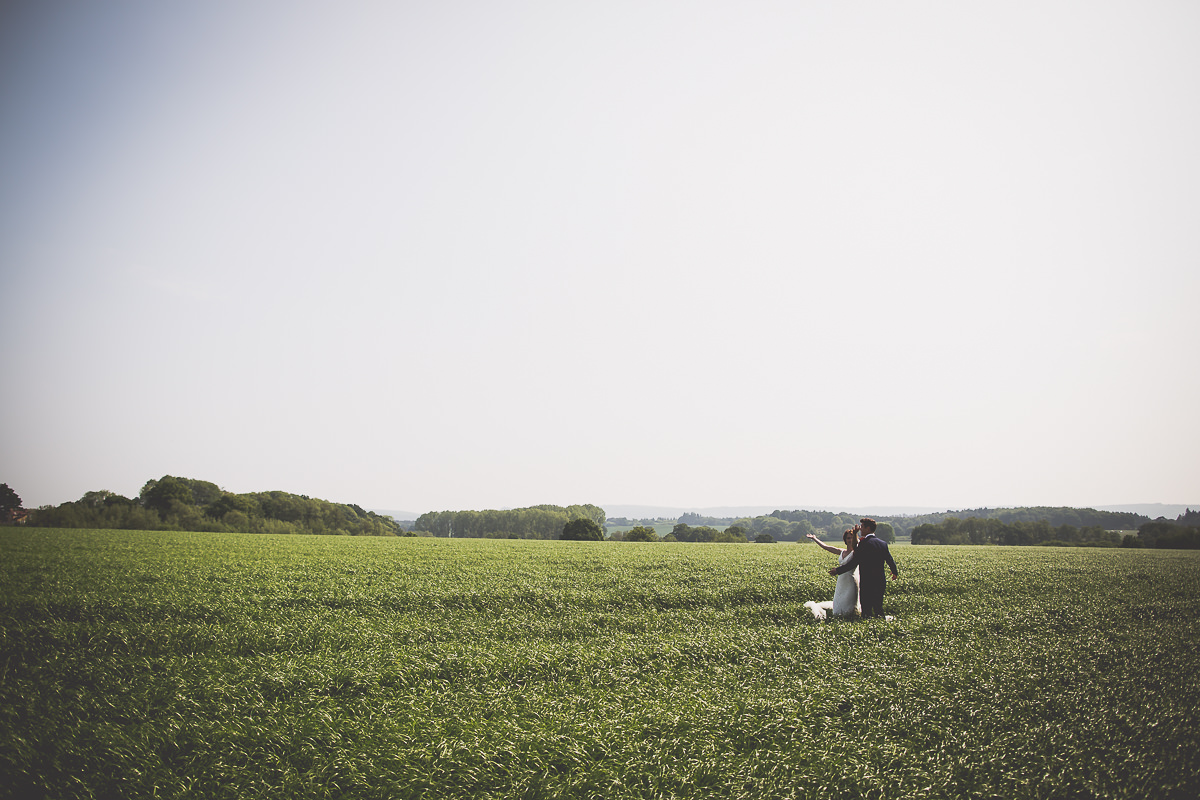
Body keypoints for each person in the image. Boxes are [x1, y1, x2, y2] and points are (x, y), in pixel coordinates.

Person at [831, 518, 898, 618]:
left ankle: (869, 626)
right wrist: (894, 572)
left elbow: (854, 561)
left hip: (867, 581)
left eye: (862, 527)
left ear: (868, 528)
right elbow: (889, 559)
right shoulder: (882, 543)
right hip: (880, 580)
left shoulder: (864, 543)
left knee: (866, 609)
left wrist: (838, 570)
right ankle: (880, 625)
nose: (860, 529)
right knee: (878, 607)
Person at [803, 528, 860, 619]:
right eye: (848, 538)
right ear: (845, 540)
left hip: (850, 580)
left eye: (852, 538)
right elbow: (826, 547)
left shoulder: (856, 552)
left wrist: (856, 534)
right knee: (839, 600)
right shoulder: (842, 552)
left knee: (849, 603)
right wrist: (814, 538)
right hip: (841, 580)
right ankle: (838, 617)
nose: (850, 540)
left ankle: (851, 617)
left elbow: (855, 549)